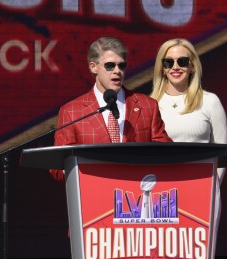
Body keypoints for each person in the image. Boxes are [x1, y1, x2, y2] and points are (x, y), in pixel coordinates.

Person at [151, 38, 227, 259]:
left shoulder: (209, 102)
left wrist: (210, 190)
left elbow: (223, 154)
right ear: (161, 67)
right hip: (158, 202)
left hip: (202, 196)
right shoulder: (147, 103)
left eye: (182, 60)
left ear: (193, 64)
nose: (176, 67)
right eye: (169, 63)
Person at [50, 37, 172, 181]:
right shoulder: (71, 112)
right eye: (110, 66)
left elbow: (166, 152)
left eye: (121, 66)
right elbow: (58, 168)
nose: (117, 71)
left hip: (138, 194)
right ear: (93, 67)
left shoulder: (147, 105)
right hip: (95, 194)